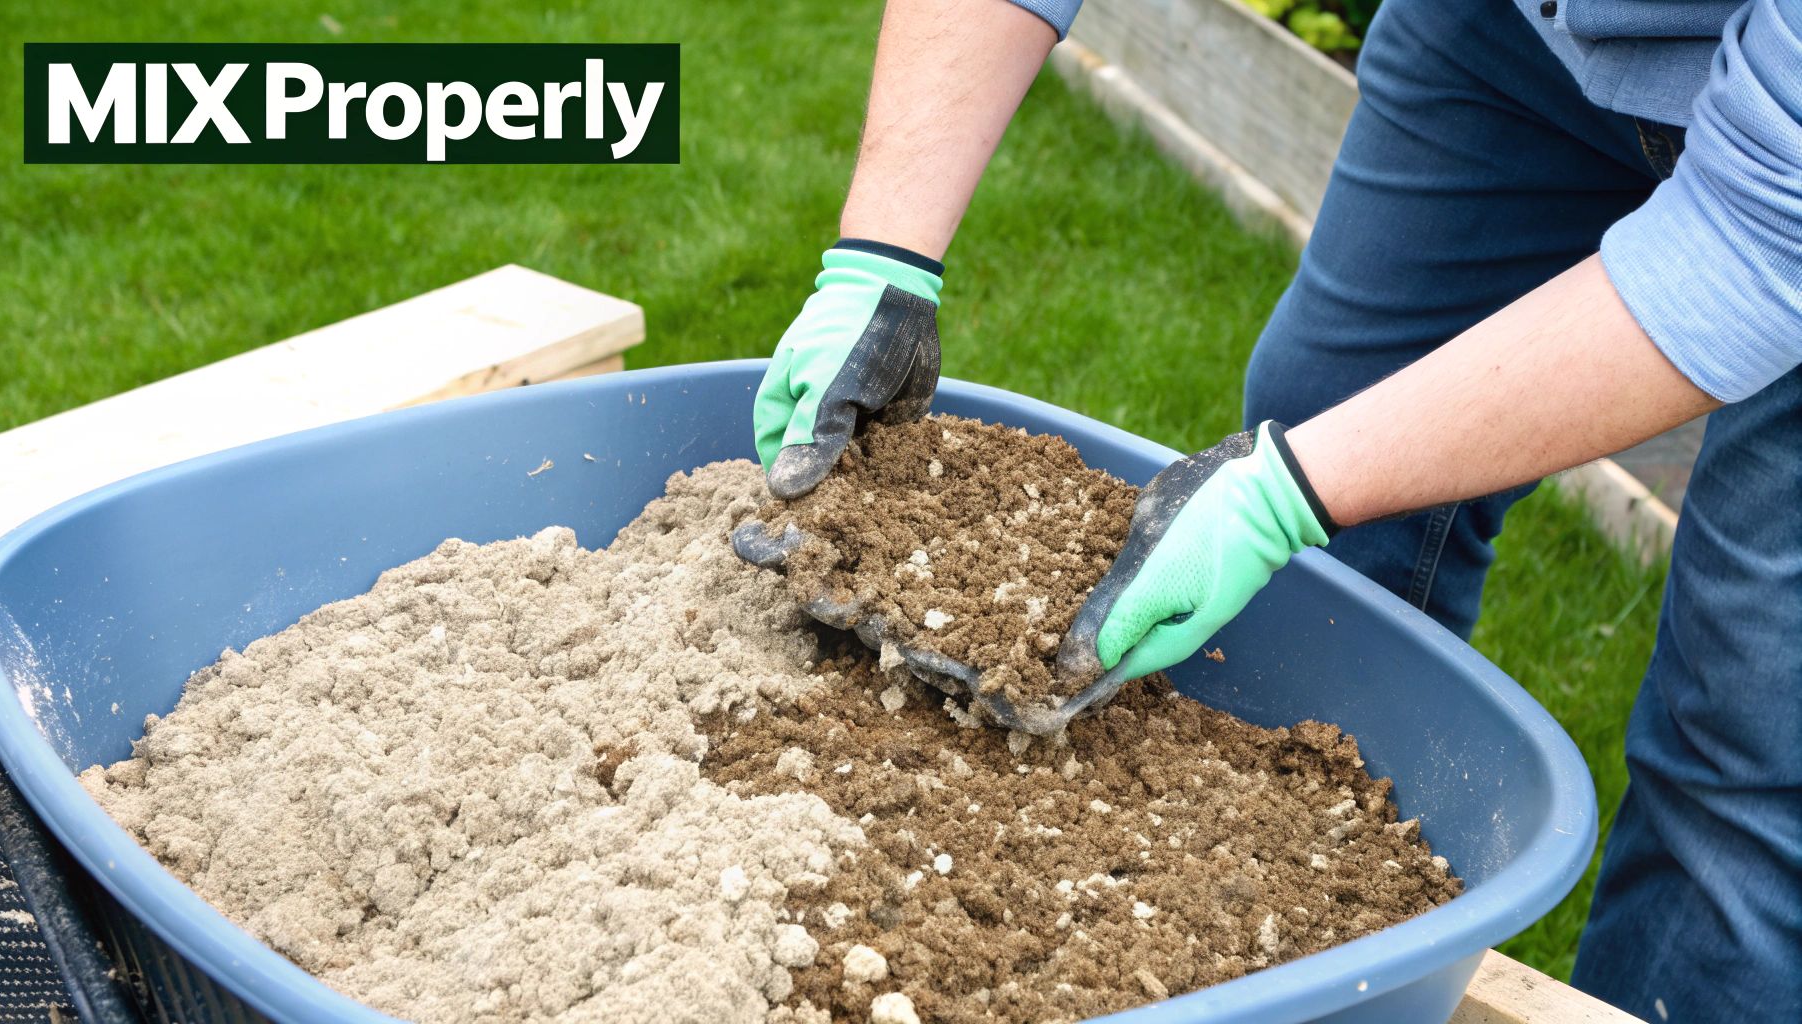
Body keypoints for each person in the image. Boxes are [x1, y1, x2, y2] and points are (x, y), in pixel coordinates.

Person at [751, 0, 1802, 1018]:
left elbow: (1753, 247)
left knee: (1751, 731)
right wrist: (879, 259)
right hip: (1517, 32)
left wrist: (1284, 494)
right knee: (1329, 414)